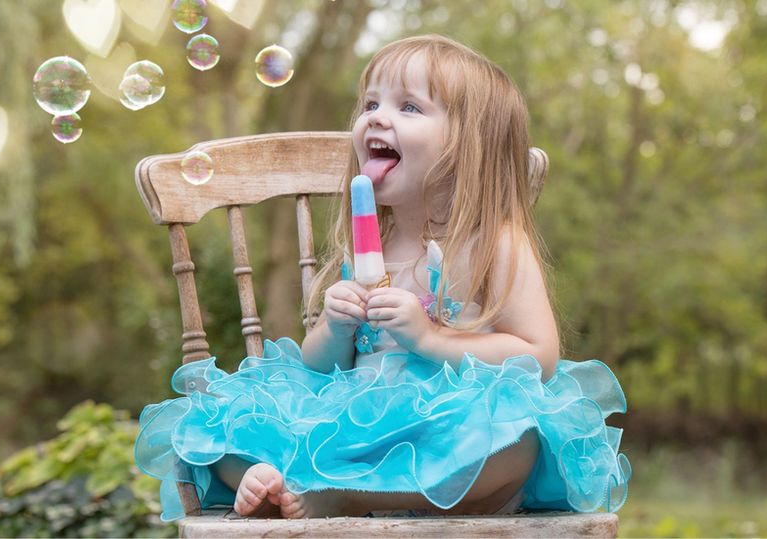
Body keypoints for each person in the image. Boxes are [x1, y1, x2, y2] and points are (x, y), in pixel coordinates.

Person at [135, 34, 630, 521]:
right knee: (216, 425)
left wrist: (431, 338)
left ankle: (345, 497)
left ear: (469, 146)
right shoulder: (366, 246)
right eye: (370, 102)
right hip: (356, 424)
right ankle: (269, 477)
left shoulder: (492, 243)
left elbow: (539, 356)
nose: (376, 116)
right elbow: (319, 368)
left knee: (518, 442)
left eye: (408, 107)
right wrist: (334, 329)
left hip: (447, 432)